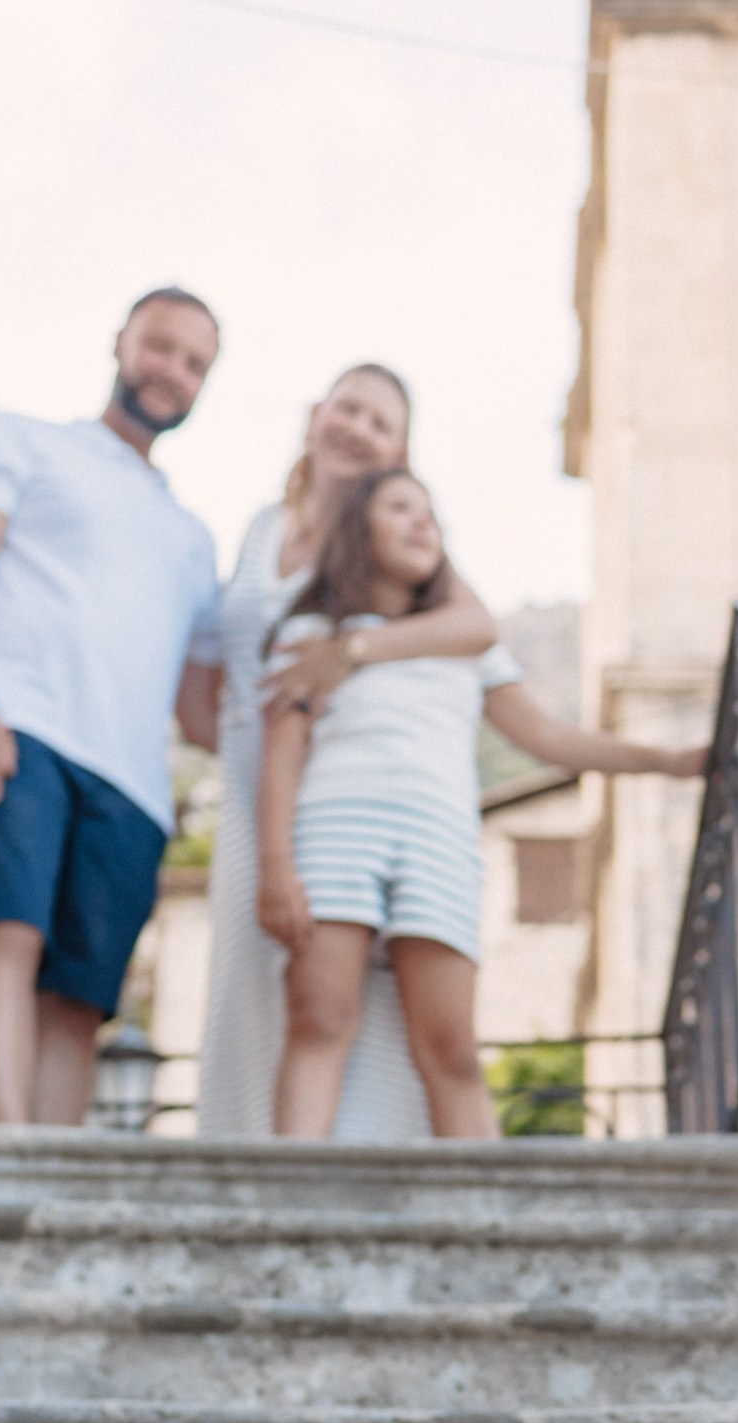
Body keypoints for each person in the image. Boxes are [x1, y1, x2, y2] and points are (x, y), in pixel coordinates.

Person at [255, 470, 707, 1139]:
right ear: (360, 527)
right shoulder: (314, 634)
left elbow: (548, 737)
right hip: (336, 828)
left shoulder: (469, 645)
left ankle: (487, 1225)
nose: (421, 524)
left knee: (453, 1049)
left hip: (438, 840)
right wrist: (274, 866)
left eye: (431, 515)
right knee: (319, 1017)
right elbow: (283, 755)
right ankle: (284, 1218)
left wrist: (666, 763)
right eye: (401, 508)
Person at [0, 288, 225, 1125]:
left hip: (132, 785)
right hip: (20, 730)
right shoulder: (13, 441)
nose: (173, 371)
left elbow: (202, 713)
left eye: (195, 363)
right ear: (122, 343)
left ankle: (51, 1176)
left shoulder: (195, 541)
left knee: (80, 1002)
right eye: (161, 347)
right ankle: (1, 1151)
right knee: (5, 937)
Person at [195, 363, 499, 1140]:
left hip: (342, 788)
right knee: (257, 1001)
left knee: (372, 1019)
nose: (358, 430)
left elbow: (475, 628)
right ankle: (257, 1180)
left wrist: (350, 652)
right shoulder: (264, 525)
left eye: (380, 424)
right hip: (253, 783)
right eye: (349, 410)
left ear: (399, 453)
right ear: (315, 414)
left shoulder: (393, 539)